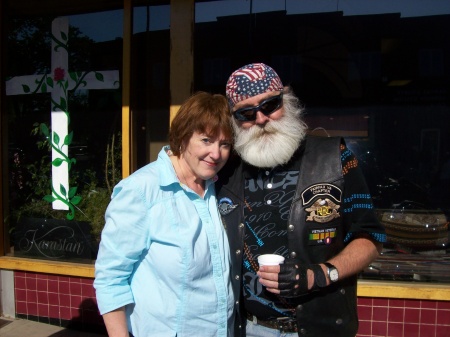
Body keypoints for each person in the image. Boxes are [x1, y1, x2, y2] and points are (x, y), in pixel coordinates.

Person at [216, 63, 386, 337]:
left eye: (270, 105)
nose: (260, 119)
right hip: (248, 329)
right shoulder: (227, 173)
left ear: (287, 99)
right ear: (235, 120)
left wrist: (317, 275)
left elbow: (370, 237)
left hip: (319, 329)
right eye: (246, 113)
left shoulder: (335, 158)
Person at [94, 92, 235, 337]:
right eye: (206, 140)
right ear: (183, 138)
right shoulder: (141, 191)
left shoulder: (219, 187)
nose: (216, 153)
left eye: (224, 144)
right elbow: (110, 278)